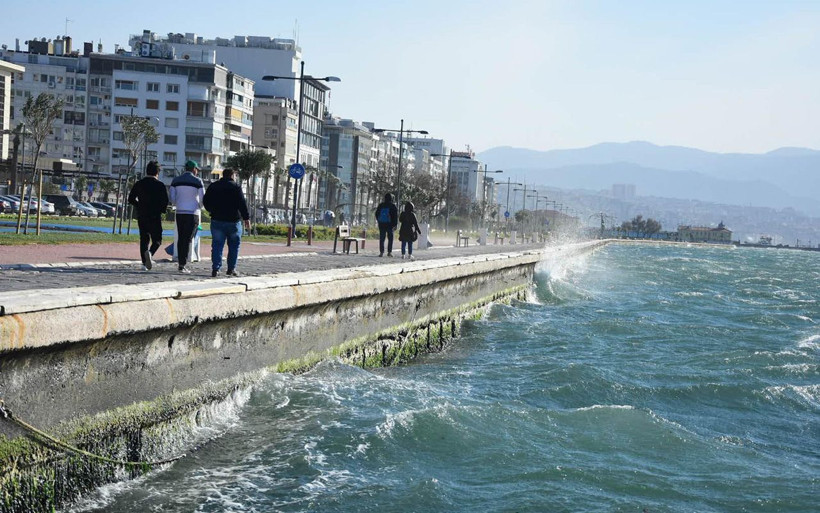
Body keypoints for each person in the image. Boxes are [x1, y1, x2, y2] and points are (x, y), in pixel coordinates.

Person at [203, 168, 251, 277]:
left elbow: (206, 201)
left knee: (217, 245)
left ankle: (216, 268)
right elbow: (242, 203)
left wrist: (211, 211)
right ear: (232, 175)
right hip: (233, 221)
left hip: (217, 219)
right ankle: (231, 268)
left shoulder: (213, 186)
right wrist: (246, 218)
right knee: (234, 245)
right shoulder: (236, 187)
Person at [127, 161, 169, 271]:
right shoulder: (160, 185)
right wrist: (161, 210)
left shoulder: (139, 184)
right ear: (157, 172)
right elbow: (165, 201)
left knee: (144, 239)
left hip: (142, 214)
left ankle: (144, 263)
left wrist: (139, 206)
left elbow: (131, 199)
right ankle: (150, 253)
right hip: (155, 215)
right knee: (157, 240)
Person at [170, 160, 205, 274]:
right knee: (188, 239)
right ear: (194, 169)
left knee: (181, 238)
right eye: (196, 169)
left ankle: (181, 262)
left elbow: (172, 198)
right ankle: (182, 264)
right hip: (193, 213)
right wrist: (199, 207)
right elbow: (202, 198)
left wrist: (177, 204)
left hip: (180, 212)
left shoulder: (176, 180)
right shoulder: (198, 181)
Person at [374, 193, 398, 257]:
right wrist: (395, 225)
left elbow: (376, 214)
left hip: (382, 224)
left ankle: (381, 252)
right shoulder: (393, 206)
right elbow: (395, 216)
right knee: (390, 239)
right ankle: (389, 252)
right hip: (390, 225)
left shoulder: (381, 205)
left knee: (382, 238)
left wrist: (379, 220)